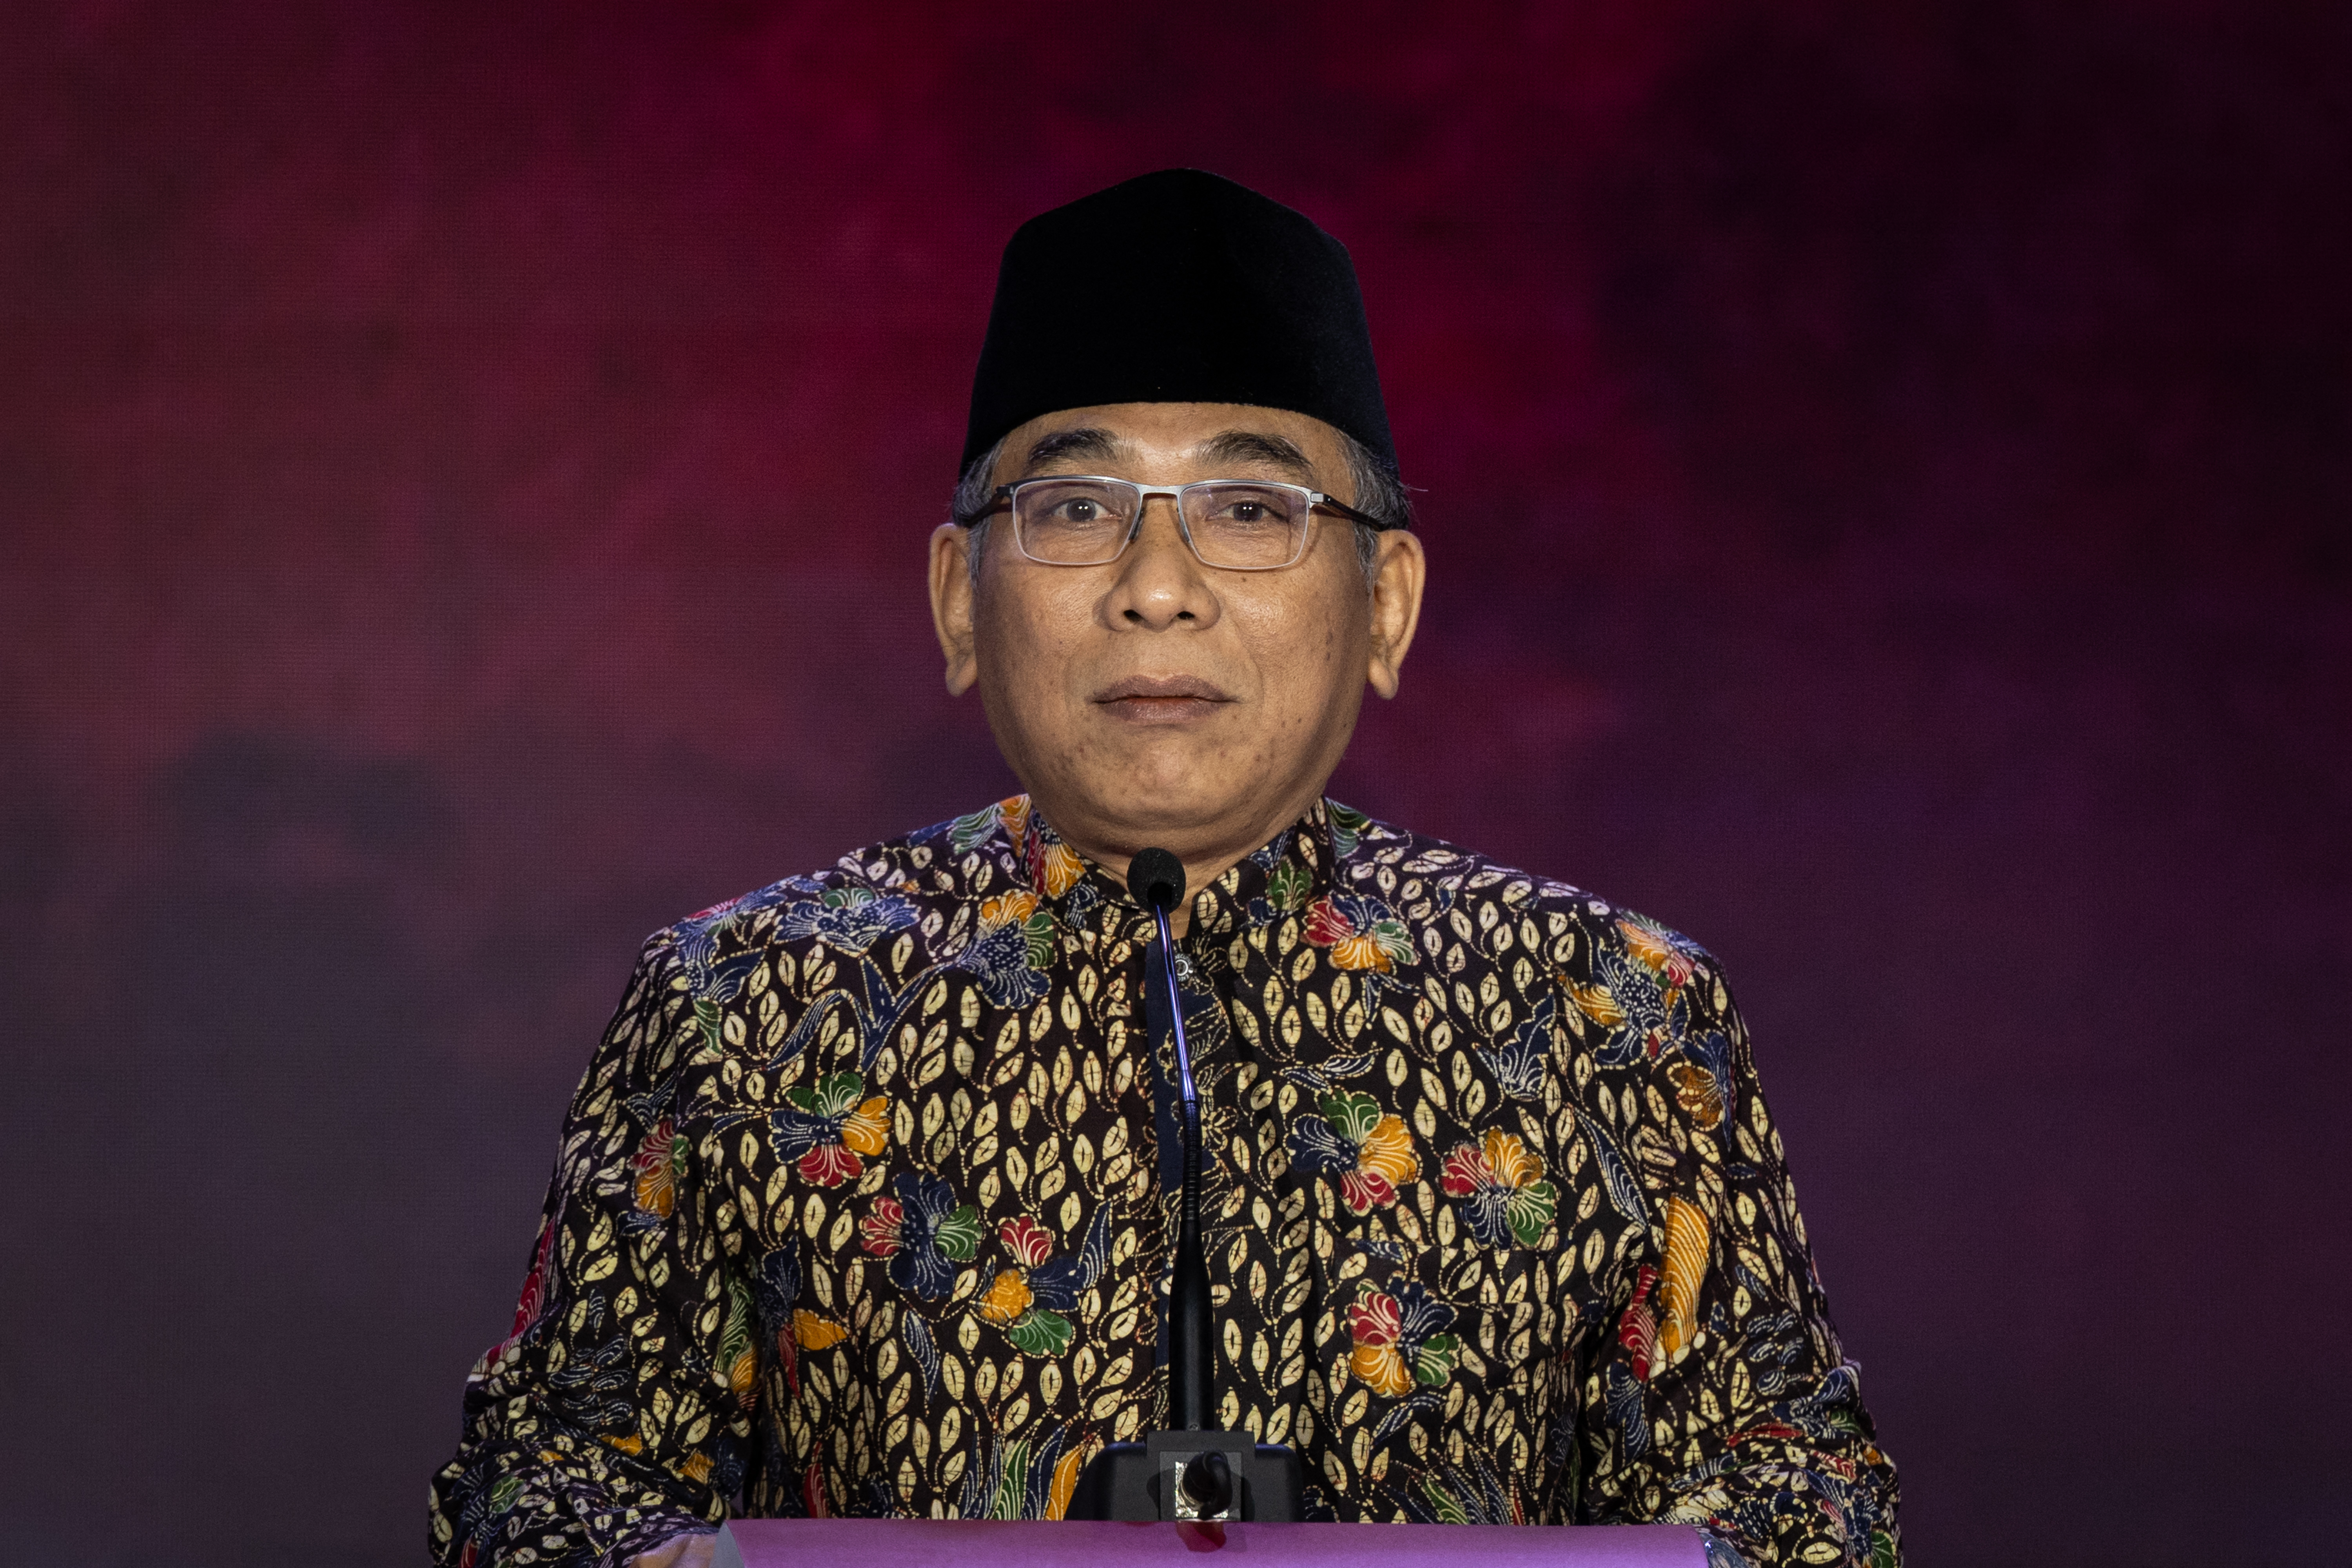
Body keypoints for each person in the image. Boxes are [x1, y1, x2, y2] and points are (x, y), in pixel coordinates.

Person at [430, 169, 1901, 1568]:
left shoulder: (1611, 1010)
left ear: (1386, 605)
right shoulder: (750, 998)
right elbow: (545, 1486)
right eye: (1075, 509)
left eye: (1250, 511)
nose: (1155, 587)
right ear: (959, 600)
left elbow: (1802, 1501)